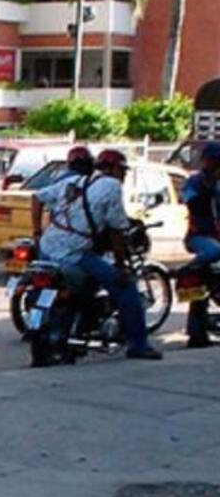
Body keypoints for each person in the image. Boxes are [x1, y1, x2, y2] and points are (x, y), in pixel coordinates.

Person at [30, 148, 161, 360]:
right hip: (73, 252)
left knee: (78, 287)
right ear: (111, 169)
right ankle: (138, 345)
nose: (124, 175)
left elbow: (37, 198)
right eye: (122, 170)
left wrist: (36, 232)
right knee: (125, 287)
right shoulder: (112, 186)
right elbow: (116, 230)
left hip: (46, 248)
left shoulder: (78, 181)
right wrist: (120, 266)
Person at [181, 141, 220, 347]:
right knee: (214, 252)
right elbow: (191, 202)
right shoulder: (196, 182)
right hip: (200, 237)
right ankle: (191, 267)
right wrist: (209, 187)